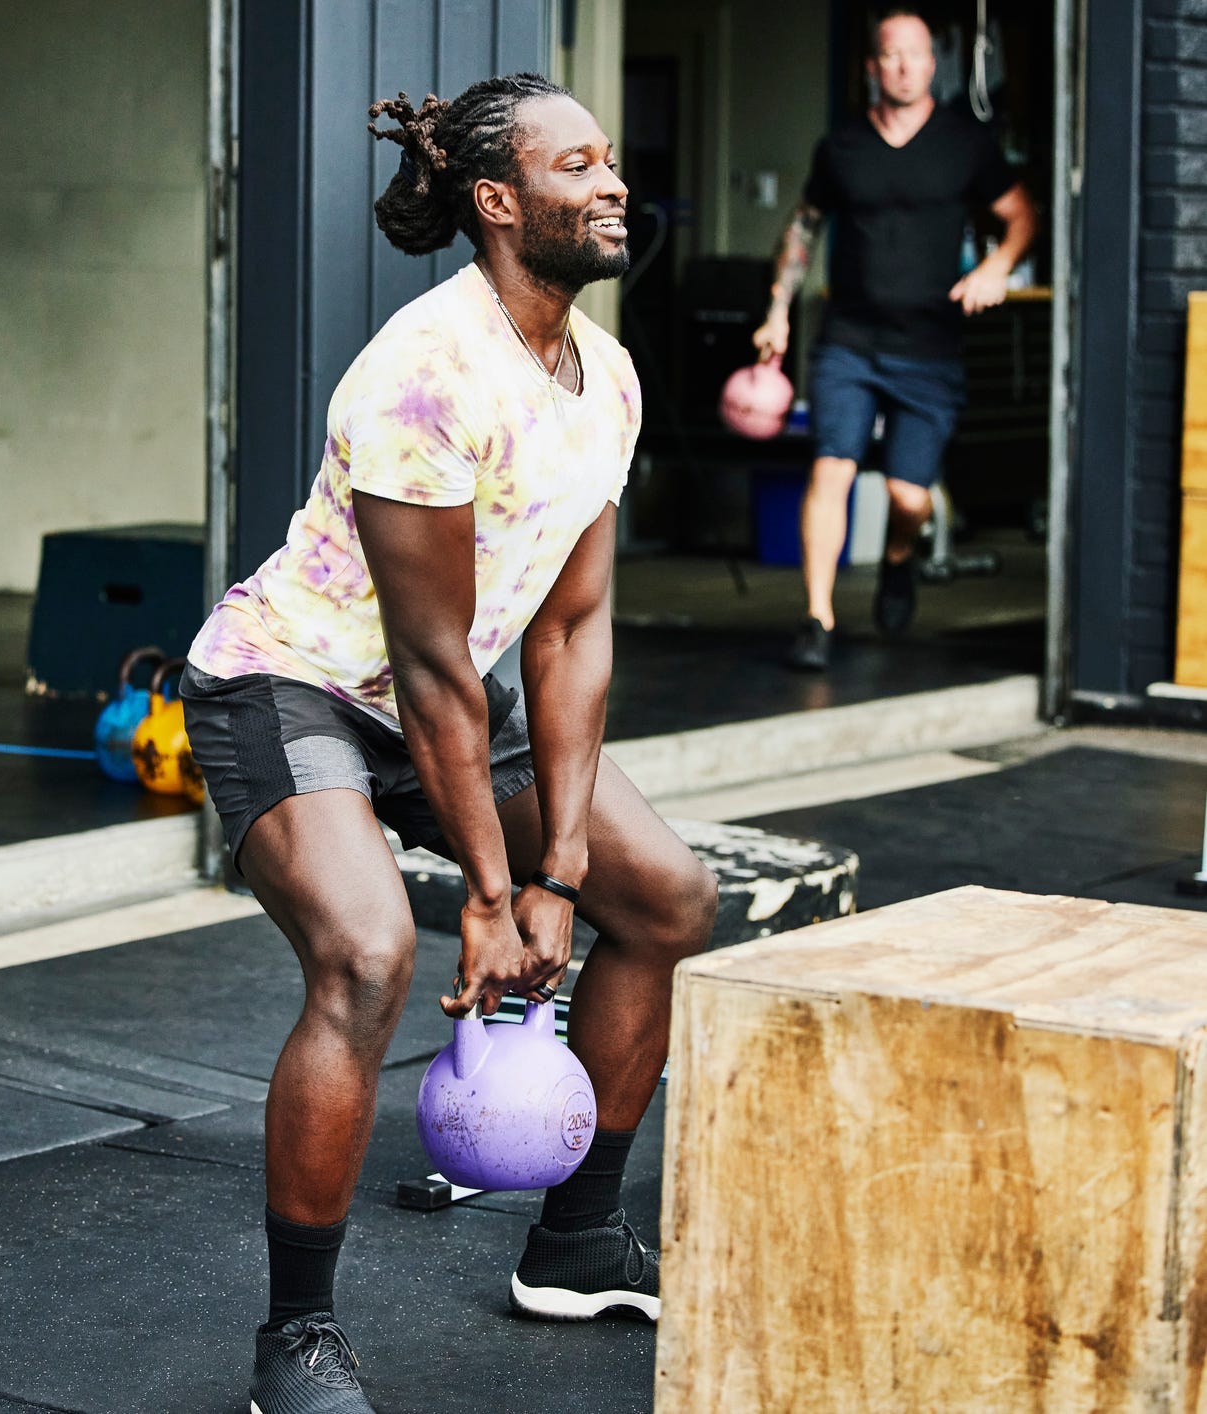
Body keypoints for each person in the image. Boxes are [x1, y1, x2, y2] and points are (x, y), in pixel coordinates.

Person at [179, 74, 718, 1413]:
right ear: (498, 201)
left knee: (664, 898)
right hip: (295, 683)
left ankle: (578, 1237)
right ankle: (295, 1337)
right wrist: (491, 894)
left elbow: (571, 631)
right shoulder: (423, 374)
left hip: (460, 692)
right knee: (364, 955)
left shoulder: (608, 377)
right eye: (578, 165)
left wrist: (561, 869)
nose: (612, 185)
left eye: (611, 162)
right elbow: (420, 661)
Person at [756, 6, 1036, 672]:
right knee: (832, 470)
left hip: (929, 348)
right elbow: (802, 229)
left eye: (915, 54)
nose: (904, 66)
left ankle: (898, 558)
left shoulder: (962, 144)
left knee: (909, 498)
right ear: (871, 67)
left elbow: (1020, 212)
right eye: (890, 54)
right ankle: (816, 618)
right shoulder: (841, 147)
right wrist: (778, 309)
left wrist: (997, 266)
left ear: (932, 65)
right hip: (848, 339)